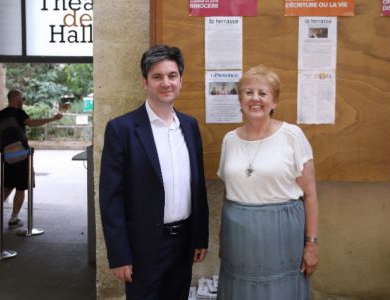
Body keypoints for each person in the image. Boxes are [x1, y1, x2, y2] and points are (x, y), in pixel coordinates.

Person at [99, 44, 209, 300]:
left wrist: (199, 237)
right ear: (145, 82)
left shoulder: (190, 126)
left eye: (172, 75)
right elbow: (111, 197)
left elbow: (197, 186)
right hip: (143, 247)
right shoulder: (122, 129)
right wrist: (119, 255)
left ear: (181, 80)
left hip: (183, 243)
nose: (166, 82)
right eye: (157, 76)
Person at [217, 65, 319, 299]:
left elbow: (311, 195)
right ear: (240, 100)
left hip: (281, 233)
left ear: (274, 101)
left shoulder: (292, 136)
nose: (255, 99)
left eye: (262, 93)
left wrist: (311, 244)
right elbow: (228, 191)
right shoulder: (229, 140)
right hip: (238, 235)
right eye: (248, 92)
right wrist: (223, 237)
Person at [0, 89, 63, 229]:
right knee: (21, 187)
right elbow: (32, 123)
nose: (23, 101)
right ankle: (13, 219)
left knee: (7, 185)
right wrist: (52, 119)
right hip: (21, 155)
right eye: (22, 98)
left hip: (5, 156)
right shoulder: (18, 112)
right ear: (16, 97)